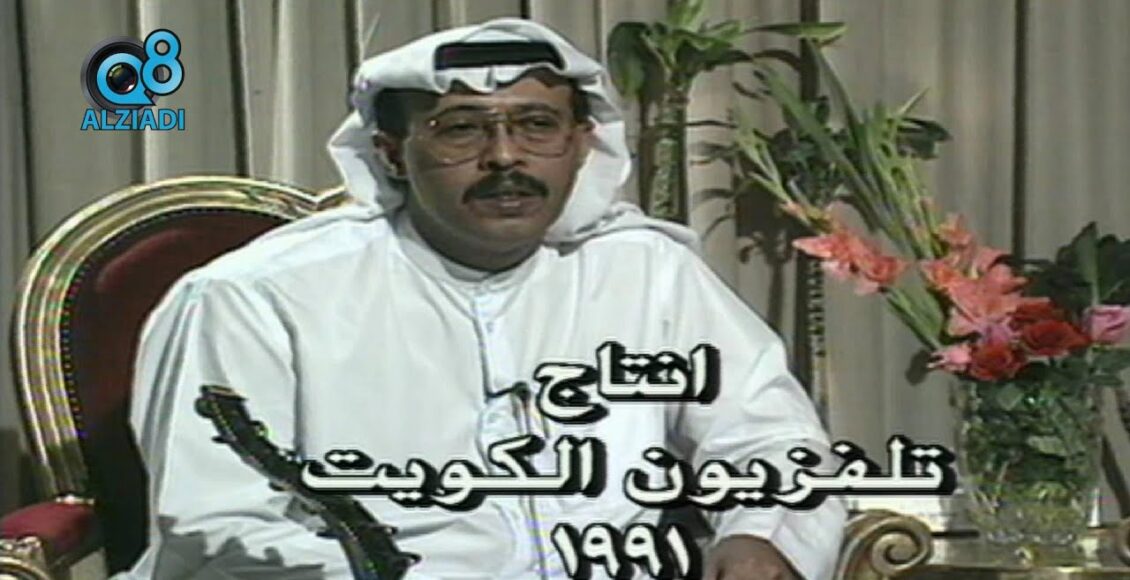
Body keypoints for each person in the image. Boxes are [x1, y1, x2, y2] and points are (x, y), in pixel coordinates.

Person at [124, 17, 846, 580]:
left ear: (581, 143)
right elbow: (220, 525)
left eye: (537, 125)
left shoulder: (646, 273)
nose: (505, 157)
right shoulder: (256, 297)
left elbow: (771, 440)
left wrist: (761, 535)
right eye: (461, 128)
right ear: (391, 152)